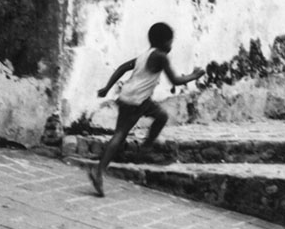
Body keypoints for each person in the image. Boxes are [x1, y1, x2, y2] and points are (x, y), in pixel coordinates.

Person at [88, 22, 205, 197]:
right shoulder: (161, 57)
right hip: (137, 101)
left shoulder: (144, 55)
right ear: (164, 42)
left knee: (161, 116)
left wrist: (107, 87)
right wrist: (194, 76)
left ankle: (145, 149)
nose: (171, 46)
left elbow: (122, 68)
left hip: (130, 97)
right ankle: (99, 171)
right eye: (170, 41)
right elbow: (174, 80)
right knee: (120, 135)